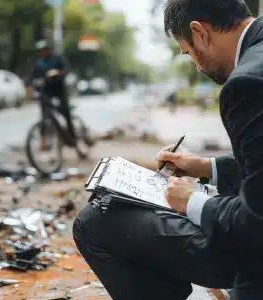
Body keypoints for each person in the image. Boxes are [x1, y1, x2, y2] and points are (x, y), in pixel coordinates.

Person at [73, 0, 263, 299]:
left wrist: (192, 202)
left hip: (254, 256)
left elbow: (256, 221)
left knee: (93, 221)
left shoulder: (248, 84)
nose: (198, 67)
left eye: (189, 53)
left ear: (199, 32)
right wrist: (207, 168)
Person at [27, 40, 88, 158]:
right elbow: (31, 77)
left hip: (59, 91)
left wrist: (57, 73)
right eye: (41, 50)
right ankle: (44, 141)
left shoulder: (57, 60)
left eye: (45, 49)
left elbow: (65, 71)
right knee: (45, 115)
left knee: (65, 114)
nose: (43, 52)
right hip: (46, 93)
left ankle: (75, 141)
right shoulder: (39, 64)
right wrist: (28, 83)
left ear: (49, 49)